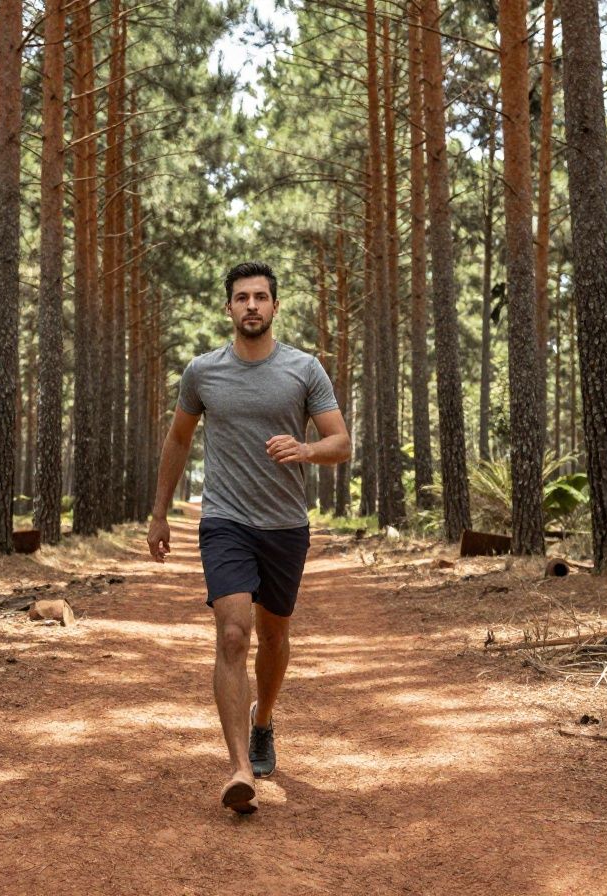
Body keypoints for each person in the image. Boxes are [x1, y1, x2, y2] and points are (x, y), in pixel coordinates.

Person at [146, 261, 351, 815]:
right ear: (229, 307)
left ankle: (263, 722)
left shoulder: (304, 370)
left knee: (274, 635)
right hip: (225, 521)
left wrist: (306, 449)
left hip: (285, 525)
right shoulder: (202, 373)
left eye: (261, 297)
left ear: (275, 307)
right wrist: (159, 513)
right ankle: (240, 768)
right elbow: (179, 440)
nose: (252, 306)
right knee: (234, 635)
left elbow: (341, 442)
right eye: (242, 298)